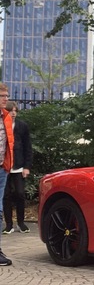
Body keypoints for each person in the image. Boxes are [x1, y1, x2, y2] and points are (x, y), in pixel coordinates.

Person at [3, 101, 32, 235]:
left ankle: (21, 222)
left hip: (19, 166)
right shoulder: (2, 125)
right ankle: (9, 224)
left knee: (20, 194)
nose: (13, 113)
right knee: (6, 195)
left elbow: (28, 147)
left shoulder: (22, 126)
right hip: (5, 166)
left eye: (15, 111)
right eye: (11, 110)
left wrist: (27, 166)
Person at [0, 83, 14, 266]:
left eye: (6, 95)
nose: (6, 98)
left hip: (1, 169)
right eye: (2, 96)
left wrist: (7, 166)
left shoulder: (6, 116)